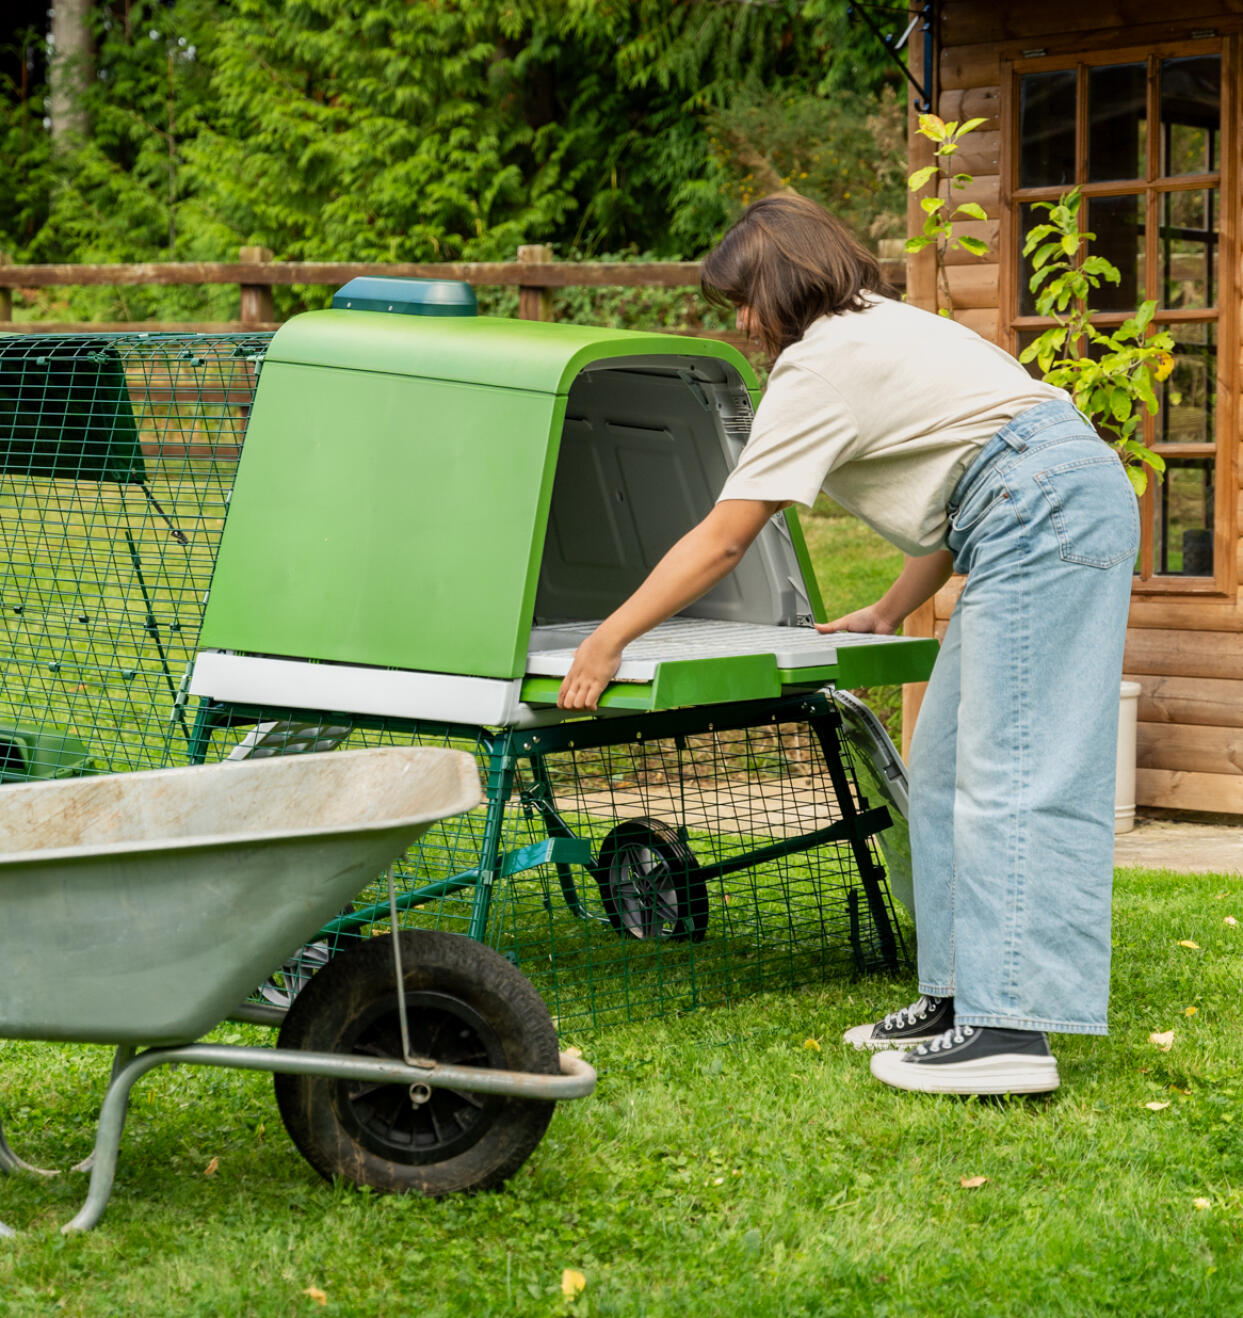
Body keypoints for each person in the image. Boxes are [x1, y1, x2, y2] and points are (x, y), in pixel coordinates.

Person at [557, 194, 1137, 1096]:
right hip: (1033, 502)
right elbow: (967, 475)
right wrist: (889, 606)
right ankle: (956, 998)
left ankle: (1012, 1032)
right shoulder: (882, 327)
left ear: (781, 282)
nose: (743, 323)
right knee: (942, 772)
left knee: (1015, 772)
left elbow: (724, 537)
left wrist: (607, 640)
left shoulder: (820, 366)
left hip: (1044, 509)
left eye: (743, 300)